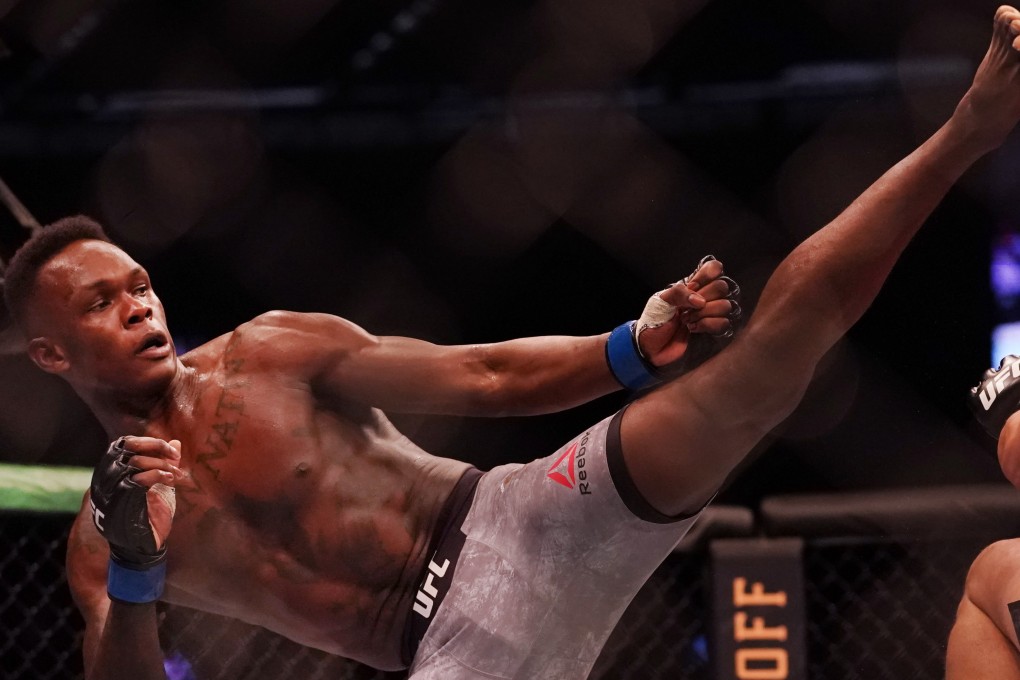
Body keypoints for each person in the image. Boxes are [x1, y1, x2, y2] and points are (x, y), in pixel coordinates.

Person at [6, 6, 1020, 679]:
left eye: (139, 281)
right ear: (48, 355)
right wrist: (138, 570)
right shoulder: (103, 530)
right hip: (440, 651)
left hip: (525, 518)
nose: (139, 304)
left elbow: (481, 374)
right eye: (100, 304)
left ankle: (970, 124)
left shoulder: (269, 351)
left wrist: (629, 344)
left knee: (769, 358)